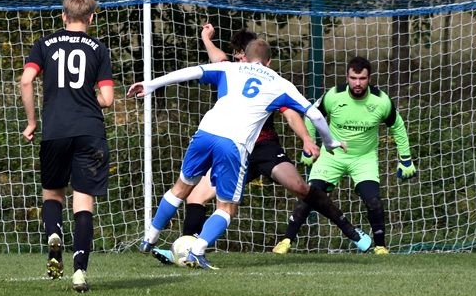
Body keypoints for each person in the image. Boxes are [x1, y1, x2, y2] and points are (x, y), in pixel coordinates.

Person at [148, 24, 371, 264]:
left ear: (251, 56)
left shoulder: (270, 83)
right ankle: (185, 249)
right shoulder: (233, 70)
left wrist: (307, 138)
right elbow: (217, 58)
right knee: (195, 196)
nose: (238, 58)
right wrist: (206, 38)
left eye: (241, 54)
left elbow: (291, 113)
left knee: (299, 186)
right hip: (233, 147)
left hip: (263, 148)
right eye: (236, 55)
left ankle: (351, 232)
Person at [20, 0, 115, 293]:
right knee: (83, 201)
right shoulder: (98, 49)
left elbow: (26, 80)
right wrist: (85, 99)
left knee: (53, 194)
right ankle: (80, 272)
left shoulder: (44, 44)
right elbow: (108, 99)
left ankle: (54, 233)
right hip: (90, 131)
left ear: (63, 16)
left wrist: (32, 122)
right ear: (91, 18)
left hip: (56, 130)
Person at [273, 56, 414, 255]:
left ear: (369, 78)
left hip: (364, 158)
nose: (357, 83)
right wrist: (309, 144)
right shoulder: (333, 96)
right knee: (309, 195)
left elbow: (398, 127)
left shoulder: (381, 101)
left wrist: (405, 158)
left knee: (373, 201)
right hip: (332, 155)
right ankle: (286, 241)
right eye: (353, 78)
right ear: (347, 77)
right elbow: (312, 116)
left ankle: (380, 247)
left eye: (362, 79)